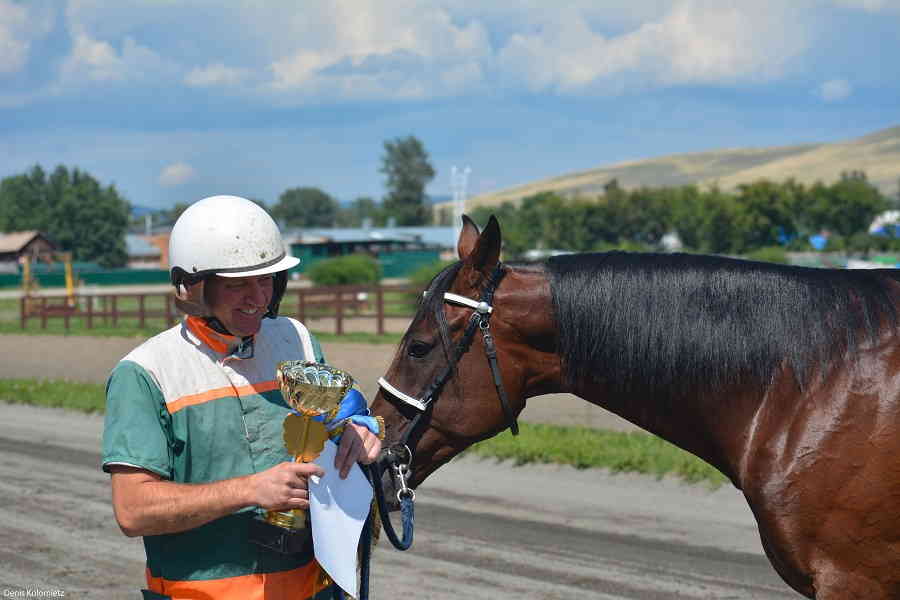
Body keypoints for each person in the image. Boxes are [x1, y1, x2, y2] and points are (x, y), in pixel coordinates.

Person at [102, 195, 382, 600]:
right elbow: (132, 510)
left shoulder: (296, 338)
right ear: (194, 289)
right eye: (237, 285)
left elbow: (336, 413)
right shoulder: (144, 373)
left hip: (315, 589)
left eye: (266, 280)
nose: (258, 298)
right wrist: (249, 490)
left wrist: (357, 430)